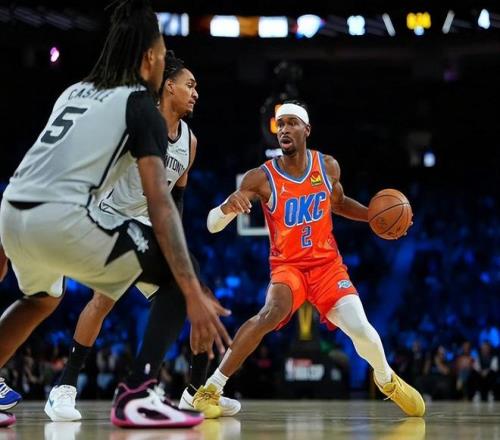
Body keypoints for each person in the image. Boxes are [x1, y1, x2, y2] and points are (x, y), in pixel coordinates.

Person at [0, 0, 230, 428]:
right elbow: (160, 202)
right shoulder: (140, 106)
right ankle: (138, 393)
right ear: (150, 59)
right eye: (161, 53)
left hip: (13, 208)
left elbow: (36, 164)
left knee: (39, 299)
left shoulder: (74, 91)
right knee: (180, 280)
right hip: (71, 217)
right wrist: (190, 287)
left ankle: (191, 387)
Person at [194, 101, 425, 418]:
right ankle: (211, 389)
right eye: (280, 125)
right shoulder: (261, 178)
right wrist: (225, 209)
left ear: (307, 130)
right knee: (270, 314)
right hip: (288, 267)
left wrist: (373, 218)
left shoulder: (327, 166)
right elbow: (211, 225)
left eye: (292, 123)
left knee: (361, 329)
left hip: (327, 266)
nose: (284, 129)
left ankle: (386, 380)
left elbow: (339, 203)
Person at [43, 51, 239, 422]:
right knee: (104, 300)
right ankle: (64, 388)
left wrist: (177, 249)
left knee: (196, 290)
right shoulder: (135, 122)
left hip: (149, 226)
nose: (196, 93)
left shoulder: (189, 142)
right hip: (108, 218)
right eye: (190, 85)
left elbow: (176, 201)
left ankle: (194, 391)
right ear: (169, 86)